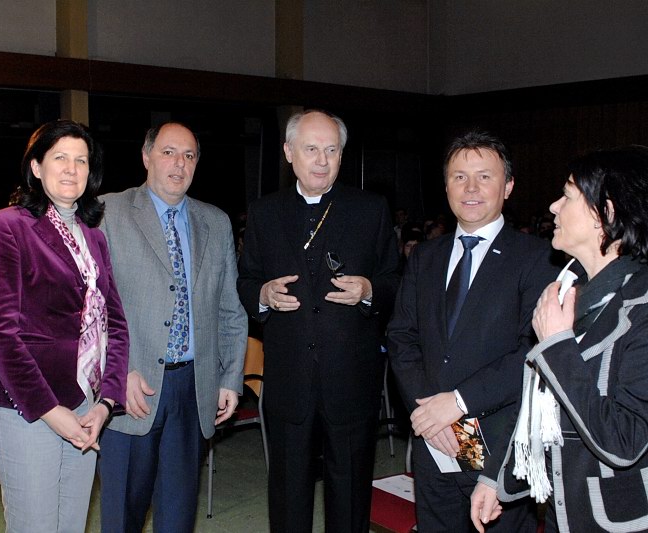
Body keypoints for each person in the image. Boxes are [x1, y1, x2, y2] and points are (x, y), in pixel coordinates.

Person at [237, 109, 400, 532]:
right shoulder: (264, 212)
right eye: (311, 149)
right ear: (289, 152)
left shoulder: (370, 209)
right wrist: (262, 294)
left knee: (350, 494)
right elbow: (246, 279)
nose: (322, 160)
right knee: (288, 494)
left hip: (351, 377)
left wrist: (369, 289)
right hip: (289, 377)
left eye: (332, 150)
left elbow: (394, 280)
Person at [471, 145, 648, 533]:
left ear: (606, 214)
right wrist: (495, 478)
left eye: (567, 196)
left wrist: (557, 346)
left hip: (617, 520)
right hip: (561, 511)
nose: (553, 207)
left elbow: (625, 441)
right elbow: (535, 401)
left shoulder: (641, 307)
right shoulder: (568, 288)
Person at [387, 130, 557, 532]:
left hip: (498, 441)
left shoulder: (537, 258)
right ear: (446, 186)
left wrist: (458, 404)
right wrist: (428, 413)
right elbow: (402, 337)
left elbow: (532, 352)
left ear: (508, 186)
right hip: (433, 438)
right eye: (459, 177)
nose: (471, 188)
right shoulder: (426, 256)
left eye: (484, 176)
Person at [0, 119, 129, 532]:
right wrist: (49, 410)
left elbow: (115, 324)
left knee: (72, 525)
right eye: (60, 157)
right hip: (27, 408)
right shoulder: (6, 226)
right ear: (36, 166)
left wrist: (106, 403)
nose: (71, 169)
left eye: (81, 160)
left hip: (85, 404)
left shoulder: (94, 237)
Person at [97, 122, 247, 533]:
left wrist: (230, 377)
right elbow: (91, 307)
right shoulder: (108, 212)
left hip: (193, 389)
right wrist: (116, 372)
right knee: (121, 518)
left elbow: (230, 309)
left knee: (178, 519)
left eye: (189, 155)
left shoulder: (215, 222)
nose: (179, 164)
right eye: (168, 152)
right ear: (146, 156)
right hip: (132, 389)